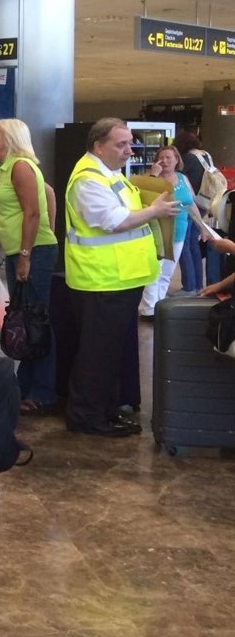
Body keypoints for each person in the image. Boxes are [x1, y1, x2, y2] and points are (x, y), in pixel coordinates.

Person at [64, 118, 179, 437]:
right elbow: (113, 221)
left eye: (130, 143)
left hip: (119, 279)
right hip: (101, 281)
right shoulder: (88, 180)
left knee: (108, 353)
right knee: (97, 355)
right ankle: (87, 417)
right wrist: (154, 211)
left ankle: (103, 409)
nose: (130, 150)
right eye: (122, 144)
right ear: (98, 146)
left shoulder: (110, 174)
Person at [0, 119, 59, 415]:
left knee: (36, 321)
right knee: (25, 321)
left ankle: (42, 391)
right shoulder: (7, 168)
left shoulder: (20, 167)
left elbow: (32, 213)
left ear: (9, 138)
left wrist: (26, 255)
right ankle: (25, 385)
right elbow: (47, 193)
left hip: (33, 251)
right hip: (21, 251)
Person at [139, 145, 205, 318]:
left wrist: (202, 226)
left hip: (179, 232)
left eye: (169, 157)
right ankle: (147, 309)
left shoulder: (183, 178)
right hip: (158, 233)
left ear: (177, 160)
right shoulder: (151, 178)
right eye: (161, 157)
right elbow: (144, 198)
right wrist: (154, 175)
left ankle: (159, 306)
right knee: (155, 271)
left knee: (167, 273)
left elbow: (191, 204)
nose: (165, 161)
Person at [174, 129, 213, 289]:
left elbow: (178, 178)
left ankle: (189, 285)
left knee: (184, 246)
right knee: (193, 245)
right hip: (203, 203)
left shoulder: (188, 158)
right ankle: (197, 284)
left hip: (190, 203)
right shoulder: (206, 155)